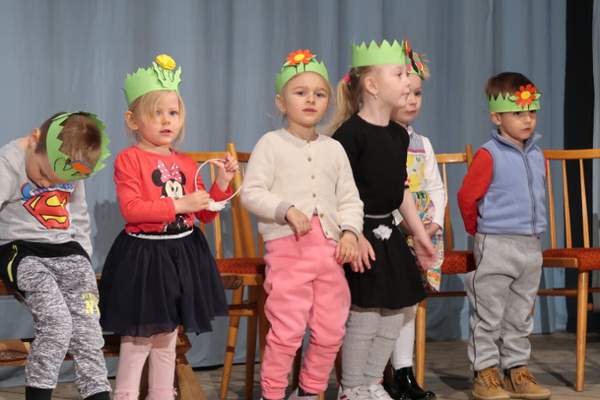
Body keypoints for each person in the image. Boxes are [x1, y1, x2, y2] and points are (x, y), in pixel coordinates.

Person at [98, 54, 237, 399]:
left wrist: (220, 183)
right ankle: (126, 394)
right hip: (146, 257)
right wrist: (179, 204)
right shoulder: (129, 159)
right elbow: (132, 210)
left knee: (167, 338)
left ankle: (162, 394)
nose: (166, 120)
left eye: (172, 113)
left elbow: (204, 215)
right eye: (155, 113)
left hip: (182, 255)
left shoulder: (186, 163)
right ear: (133, 120)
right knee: (138, 339)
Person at [242, 49, 363, 400]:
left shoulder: (334, 149)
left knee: (331, 330)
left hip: (330, 254)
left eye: (319, 93)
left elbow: (350, 198)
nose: (311, 99)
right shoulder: (271, 144)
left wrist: (350, 232)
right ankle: (272, 394)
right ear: (282, 102)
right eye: (300, 92)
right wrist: (285, 209)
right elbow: (251, 192)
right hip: (288, 252)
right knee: (287, 331)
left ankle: (309, 392)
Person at [330, 40, 437, 400]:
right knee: (365, 317)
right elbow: (336, 194)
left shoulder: (398, 135)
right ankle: (351, 387)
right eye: (400, 74)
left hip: (389, 235)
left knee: (397, 311)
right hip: (359, 236)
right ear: (373, 85)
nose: (407, 81)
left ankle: (371, 382)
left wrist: (419, 234)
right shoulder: (349, 135)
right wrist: (352, 233)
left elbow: (400, 190)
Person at [0, 111, 112, 400]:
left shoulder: (72, 166)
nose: (47, 185)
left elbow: (79, 216)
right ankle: (39, 395)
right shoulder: (8, 164)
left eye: (56, 181)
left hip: (66, 249)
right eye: (42, 174)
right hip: (22, 250)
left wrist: (83, 257)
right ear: (34, 139)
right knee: (57, 323)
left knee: (88, 326)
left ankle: (98, 394)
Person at [457, 72, 551, 400]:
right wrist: (478, 231)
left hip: (530, 245)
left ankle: (516, 371)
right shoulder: (489, 155)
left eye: (531, 112)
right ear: (497, 117)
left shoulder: (537, 154)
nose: (527, 119)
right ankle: (485, 373)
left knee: (520, 313)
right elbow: (467, 197)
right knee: (489, 313)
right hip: (496, 244)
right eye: (518, 113)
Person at [385, 43, 444, 400]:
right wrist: (405, 224)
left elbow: (436, 186)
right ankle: (381, 373)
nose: (412, 101)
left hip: (421, 234)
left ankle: (404, 371)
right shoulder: (378, 139)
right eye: (405, 93)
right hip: (392, 232)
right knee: (389, 306)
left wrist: (434, 222)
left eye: (418, 94)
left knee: (409, 305)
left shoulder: (423, 142)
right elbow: (382, 189)